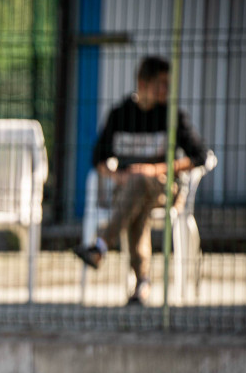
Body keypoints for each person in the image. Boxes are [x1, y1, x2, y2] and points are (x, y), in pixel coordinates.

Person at [73, 56, 209, 305]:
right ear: (142, 82)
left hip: (163, 187)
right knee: (136, 198)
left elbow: (200, 156)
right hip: (127, 192)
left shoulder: (172, 116)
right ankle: (141, 282)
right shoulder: (120, 115)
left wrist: (155, 169)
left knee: (139, 184)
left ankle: (102, 246)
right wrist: (118, 175)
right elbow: (97, 159)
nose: (166, 90)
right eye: (161, 83)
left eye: (169, 84)